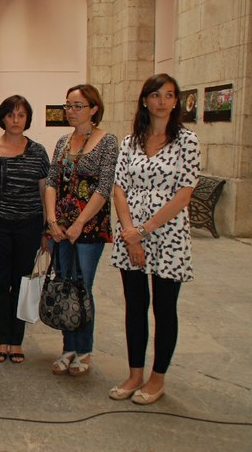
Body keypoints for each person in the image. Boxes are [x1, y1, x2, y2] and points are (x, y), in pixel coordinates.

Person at [109, 74, 200, 405]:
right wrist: (130, 234)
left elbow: (184, 194)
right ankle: (135, 373)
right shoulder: (130, 142)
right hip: (130, 232)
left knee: (164, 308)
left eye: (169, 95)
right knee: (135, 306)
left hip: (168, 234)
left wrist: (143, 231)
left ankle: (157, 378)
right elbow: (119, 188)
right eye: (156, 95)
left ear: (176, 102)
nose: (162, 101)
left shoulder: (187, 141)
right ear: (145, 100)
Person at [44, 84, 118, 376]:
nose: (71, 111)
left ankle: (84, 350)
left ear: (94, 108)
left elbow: (104, 187)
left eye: (77, 106)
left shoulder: (107, 141)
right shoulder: (63, 141)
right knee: (64, 286)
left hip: (88, 229)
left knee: (82, 288)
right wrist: (52, 220)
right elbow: (52, 182)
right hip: (59, 229)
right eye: (68, 105)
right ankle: (68, 348)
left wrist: (78, 224)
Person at [0, 96, 49, 364]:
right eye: (10, 115)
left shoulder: (38, 152)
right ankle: (1, 338)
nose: (16, 120)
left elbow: (45, 192)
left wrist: (46, 229)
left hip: (29, 224)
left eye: (21, 115)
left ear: (27, 119)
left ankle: (16, 340)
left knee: (21, 281)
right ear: (2, 118)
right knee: (0, 281)